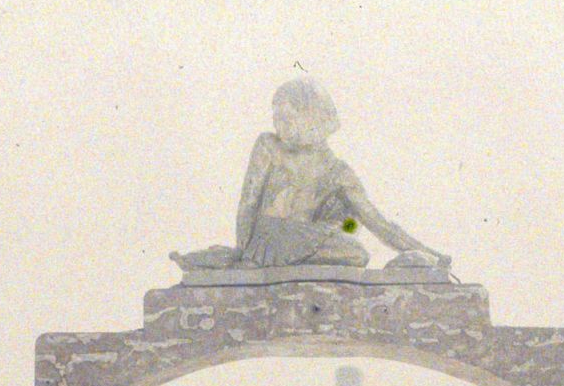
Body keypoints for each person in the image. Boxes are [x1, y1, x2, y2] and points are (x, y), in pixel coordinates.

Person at [171, 78, 450, 272]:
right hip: (267, 238)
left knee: (356, 247)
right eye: (277, 118)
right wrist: (244, 251)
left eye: (288, 118)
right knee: (354, 251)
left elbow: (377, 222)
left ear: (314, 118)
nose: (280, 127)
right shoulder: (268, 146)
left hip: (305, 238)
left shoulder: (337, 171)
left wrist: (429, 254)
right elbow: (248, 203)